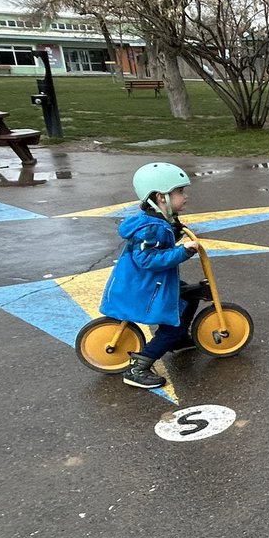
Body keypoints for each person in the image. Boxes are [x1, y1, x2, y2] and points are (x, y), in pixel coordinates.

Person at [99, 162, 202, 389]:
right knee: (172, 325)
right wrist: (183, 252)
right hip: (143, 287)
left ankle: (180, 338)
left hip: (150, 282)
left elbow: (159, 246)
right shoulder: (150, 228)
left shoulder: (159, 222)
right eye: (179, 192)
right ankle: (139, 367)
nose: (185, 197)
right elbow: (147, 259)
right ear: (160, 197)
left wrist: (174, 230)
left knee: (190, 294)